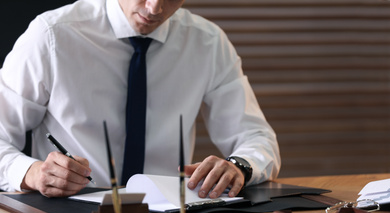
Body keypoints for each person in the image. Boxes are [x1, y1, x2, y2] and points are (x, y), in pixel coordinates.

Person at [0, 0, 280, 198]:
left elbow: (256, 137)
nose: (155, 8)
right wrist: (32, 173)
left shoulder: (207, 43)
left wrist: (238, 166)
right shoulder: (51, 36)